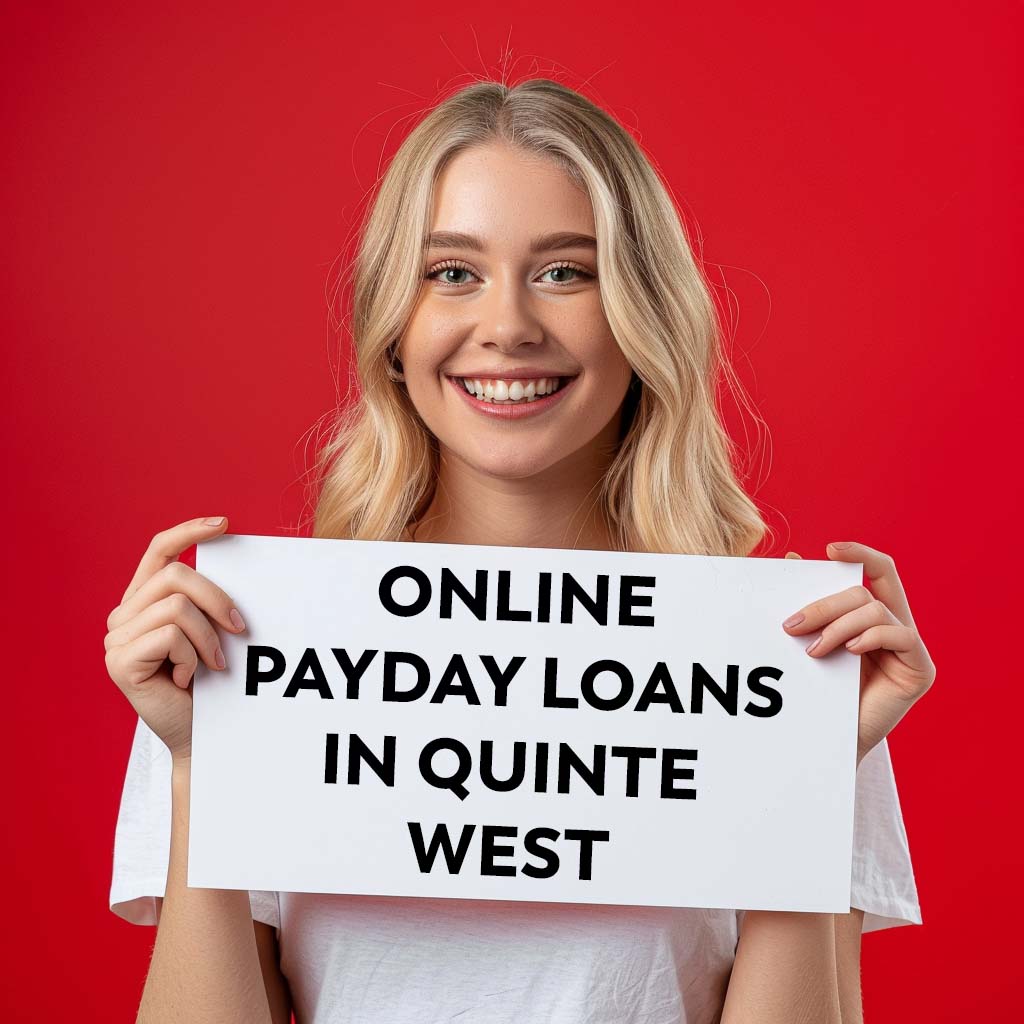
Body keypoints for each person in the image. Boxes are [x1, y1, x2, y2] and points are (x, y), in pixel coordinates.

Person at [105, 78, 934, 1024]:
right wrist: (201, 769)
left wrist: (799, 774)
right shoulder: (248, 645)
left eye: (566, 272)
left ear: (641, 314)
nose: (507, 327)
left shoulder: (786, 659)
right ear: (393, 327)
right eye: (452, 273)